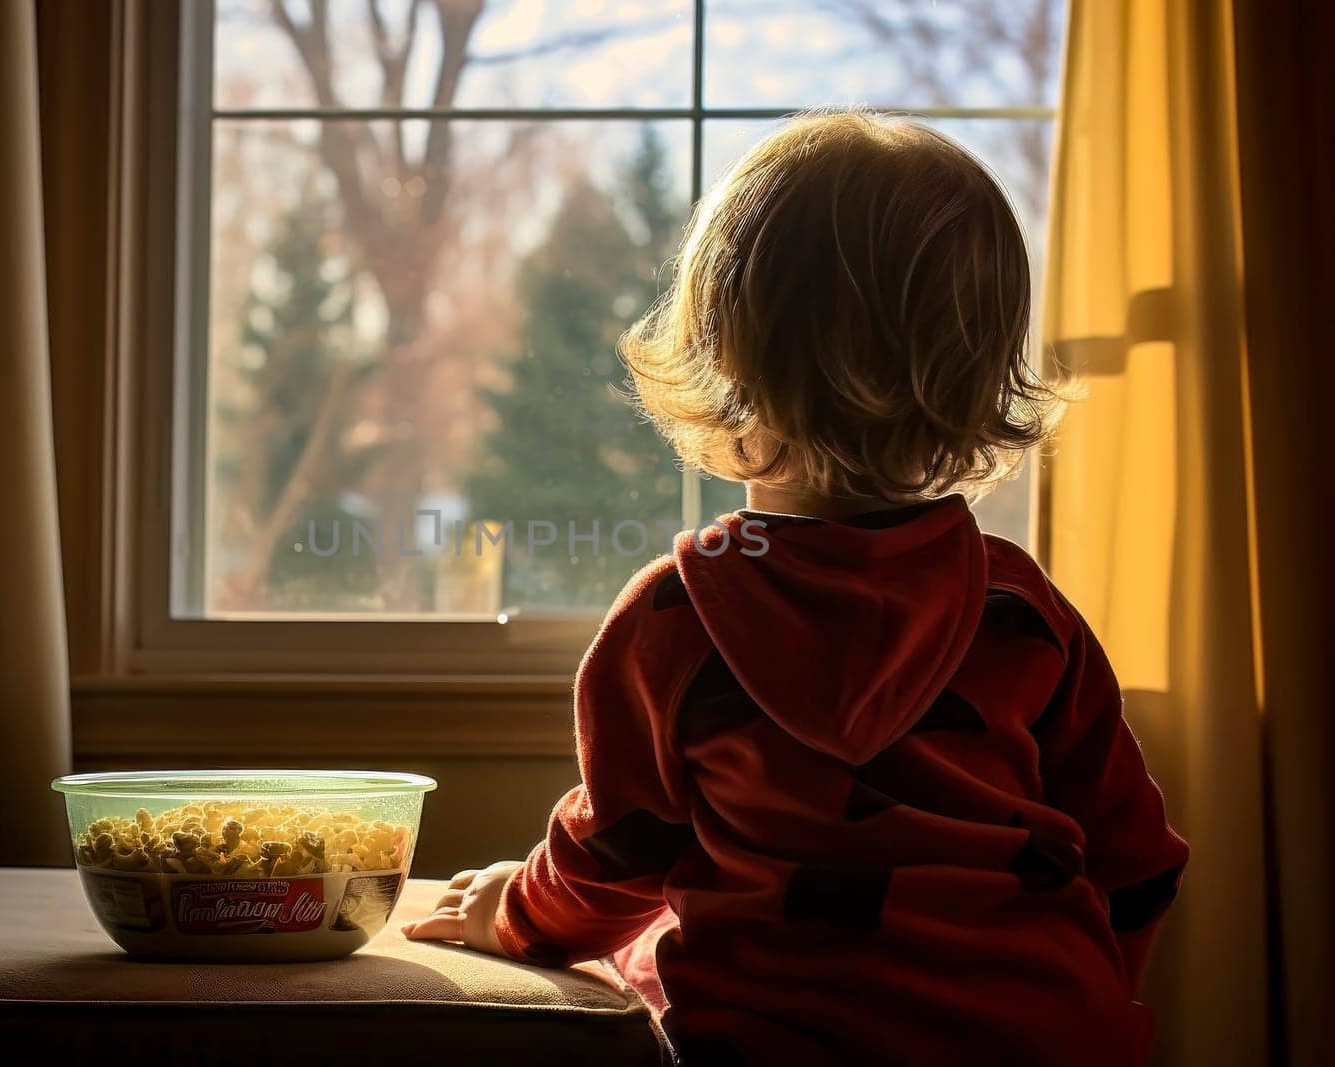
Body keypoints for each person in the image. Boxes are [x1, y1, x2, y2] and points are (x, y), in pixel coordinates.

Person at [402, 112, 1188, 1066]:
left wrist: (512, 917)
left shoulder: (678, 618)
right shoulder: (1019, 613)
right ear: (978, 368)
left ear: (725, 350)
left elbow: (618, 857)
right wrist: (1077, 993)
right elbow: (1137, 859)